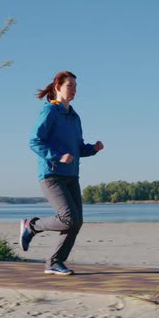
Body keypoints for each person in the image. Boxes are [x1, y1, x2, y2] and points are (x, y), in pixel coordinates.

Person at [20, 71, 104, 275]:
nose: (74, 90)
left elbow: (77, 148)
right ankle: (32, 225)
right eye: (70, 86)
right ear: (58, 87)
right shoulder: (50, 112)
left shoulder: (75, 117)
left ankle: (54, 262)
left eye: (75, 86)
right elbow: (35, 141)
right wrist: (57, 156)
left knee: (76, 222)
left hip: (72, 175)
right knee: (68, 218)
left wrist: (92, 149)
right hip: (52, 175)